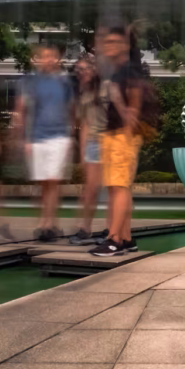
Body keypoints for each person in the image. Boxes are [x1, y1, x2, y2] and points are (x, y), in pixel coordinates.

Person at [90, 27, 146, 257]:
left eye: (115, 41)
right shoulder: (118, 72)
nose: (108, 45)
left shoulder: (130, 72)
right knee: (116, 188)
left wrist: (126, 130)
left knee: (119, 187)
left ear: (125, 45)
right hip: (113, 133)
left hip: (123, 135)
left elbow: (134, 110)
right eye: (107, 42)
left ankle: (114, 239)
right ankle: (125, 238)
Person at [14, 44, 76, 242]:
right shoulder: (30, 82)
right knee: (42, 183)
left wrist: (70, 136)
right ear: (38, 59)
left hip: (58, 137)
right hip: (37, 138)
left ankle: (49, 223)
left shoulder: (65, 83)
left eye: (53, 56)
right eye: (45, 56)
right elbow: (22, 110)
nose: (49, 60)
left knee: (53, 181)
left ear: (58, 60)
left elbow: (71, 110)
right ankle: (44, 221)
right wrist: (24, 138)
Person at [69, 55, 108, 246]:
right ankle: (85, 229)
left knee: (112, 189)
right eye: (79, 70)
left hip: (110, 142)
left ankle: (112, 230)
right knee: (90, 189)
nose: (81, 73)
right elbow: (83, 124)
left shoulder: (106, 88)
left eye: (85, 69)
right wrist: (84, 151)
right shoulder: (84, 93)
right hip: (93, 144)